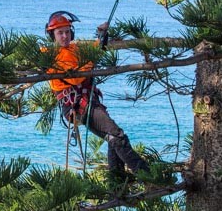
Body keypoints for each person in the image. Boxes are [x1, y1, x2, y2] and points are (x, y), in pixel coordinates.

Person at [45, 11, 149, 175]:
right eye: (60, 33)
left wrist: (102, 35)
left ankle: (117, 181)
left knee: (113, 138)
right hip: (75, 105)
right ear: (53, 35)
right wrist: (90, 62)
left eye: (66, 32)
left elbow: (97, 49)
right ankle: (147, 175)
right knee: (117, 135)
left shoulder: (76, 48)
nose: (64, 36)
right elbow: (75, 78)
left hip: (89, 102)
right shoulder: (48, 56)